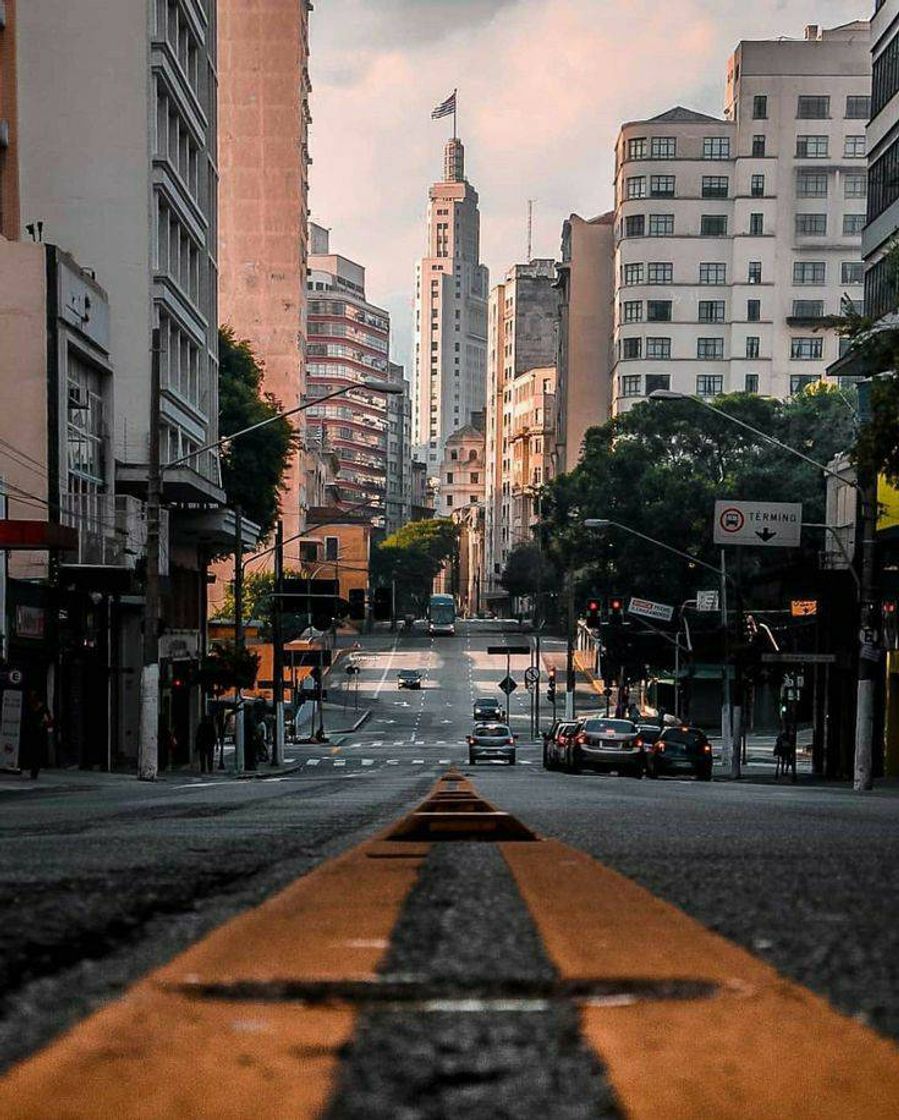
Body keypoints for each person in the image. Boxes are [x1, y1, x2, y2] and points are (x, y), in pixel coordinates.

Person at [21, 690, 52, 779]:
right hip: (35, 732)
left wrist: (44, 722)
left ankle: (34, 771)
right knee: (35, 752)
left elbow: (48, 719)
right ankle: (33, 770)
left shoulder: (38, 707)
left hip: (36, 732)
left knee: (35, 752)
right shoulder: (34, 706)